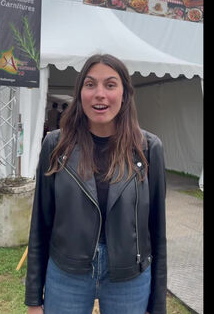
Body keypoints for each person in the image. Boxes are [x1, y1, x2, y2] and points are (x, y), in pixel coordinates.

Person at [25, 54, 167, 314]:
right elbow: (40, 226)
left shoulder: (148, 149)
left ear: (124, 94)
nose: (99, 94)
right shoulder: (56, 145)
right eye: (90, 85)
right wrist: (34, 300)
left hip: (129, 278)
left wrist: (157, 305)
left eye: (110, 85)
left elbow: (157, 232)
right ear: (80, 93)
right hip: (67, 273)